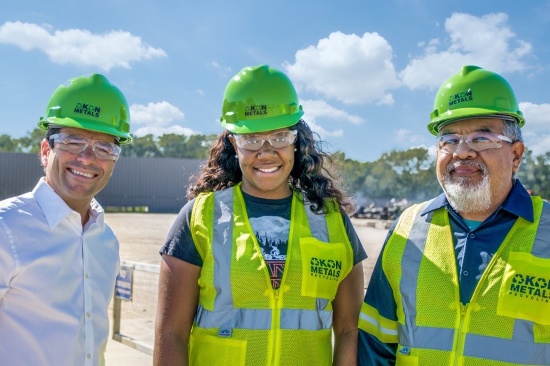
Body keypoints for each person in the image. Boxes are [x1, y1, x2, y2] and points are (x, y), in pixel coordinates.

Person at [154, 64, 367, 366]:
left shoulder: (331, 220)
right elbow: (171, 333)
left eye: (280, 136)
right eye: (251, 139)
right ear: (233, 143)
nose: (266, 152)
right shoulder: (201, 217)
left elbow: (348, 330)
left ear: (296, 140)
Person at [357, 65, 550, 365]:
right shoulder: (407, 229)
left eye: (482, 138)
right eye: (449, 139)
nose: (462, 152)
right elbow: (376, 343)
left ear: (516, 155)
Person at [0, 73, 132, 365]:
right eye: (73, 141)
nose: (87, 158)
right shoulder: (5, 228)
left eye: (104, 147)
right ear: (47, 150)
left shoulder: (106, 241)